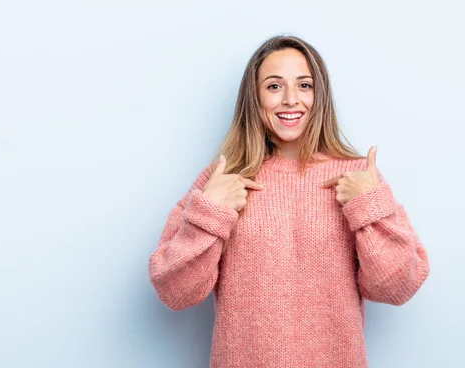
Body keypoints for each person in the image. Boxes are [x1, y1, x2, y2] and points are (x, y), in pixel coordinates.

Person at [148, 35, 430, 367]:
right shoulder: (222, 182)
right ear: (254, 97)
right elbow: (175, 292)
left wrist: (368, 205)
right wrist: (211, 213)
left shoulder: (357, 178)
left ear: (319, 94)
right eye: (273, 87)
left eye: (305, 85)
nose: (291, 100)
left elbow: (397, 288)